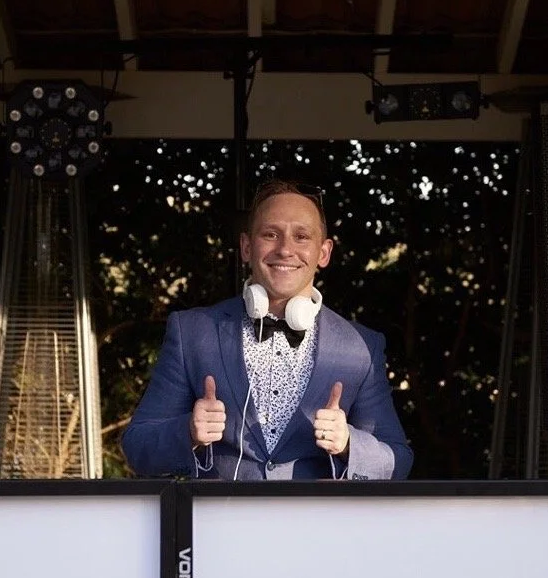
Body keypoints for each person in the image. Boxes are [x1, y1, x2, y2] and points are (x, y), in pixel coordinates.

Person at [121, 179, 413, 480]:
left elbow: (397, 461)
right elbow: (138, 447)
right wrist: (188, 432)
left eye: (301, 237)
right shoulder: (192, 332)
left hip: (315, 513)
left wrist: (349, 445)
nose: (285, 249)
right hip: (220, 512)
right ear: (246, 247)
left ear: (324, 253)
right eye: (271, 234)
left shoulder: (362, 346)